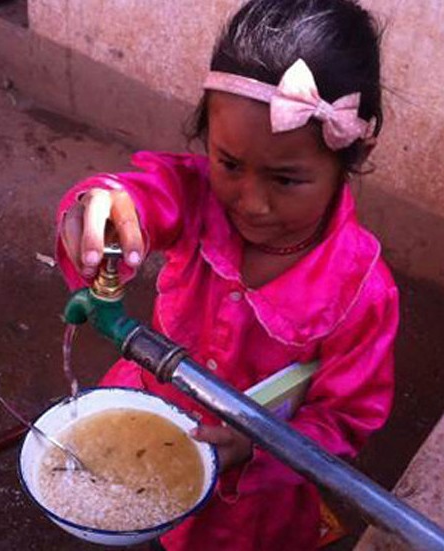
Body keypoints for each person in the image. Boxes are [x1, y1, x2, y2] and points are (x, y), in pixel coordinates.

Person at [55, 0, 398, 549]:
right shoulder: (195, 197)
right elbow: (144, 195)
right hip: (153, 411)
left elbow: (347, 417)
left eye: (286, 180)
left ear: (351, 156)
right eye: (230, 164)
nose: (252, 202)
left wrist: (262, 447)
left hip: (249, 501)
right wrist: (104, 210)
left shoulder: (362, 291)